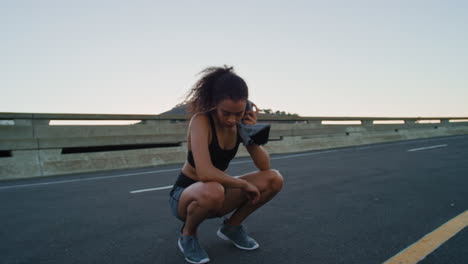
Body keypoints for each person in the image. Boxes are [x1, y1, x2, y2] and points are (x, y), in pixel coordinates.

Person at [168, 66, 284, 264]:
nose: (232, 119)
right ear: (215, 104)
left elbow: (264, 165)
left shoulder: (239, 125)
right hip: (185, 196)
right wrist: (243, 184)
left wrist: (249, 131)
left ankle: (231, 227)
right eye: (226, 113)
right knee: (212, 189)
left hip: (217, 193)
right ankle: (187, 235)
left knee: (274, 179)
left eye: (238, 114)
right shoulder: (201, 121)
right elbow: (204, 172)